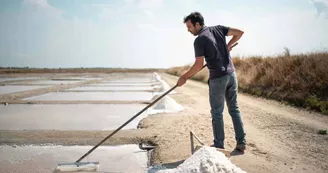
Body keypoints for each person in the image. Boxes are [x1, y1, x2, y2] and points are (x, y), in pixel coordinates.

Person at [177, 11, 246, 152]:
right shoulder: (218, 29)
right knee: (234, 109)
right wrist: (228, 46)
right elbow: (240, 33)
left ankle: (219, 145)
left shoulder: (199, 40)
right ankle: (241, 143)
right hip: (232, 75)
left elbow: (198, 65)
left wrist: (184, 77)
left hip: (218, 79)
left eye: (189, 27)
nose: (188, 30)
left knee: (217, 112)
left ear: (197, 24)